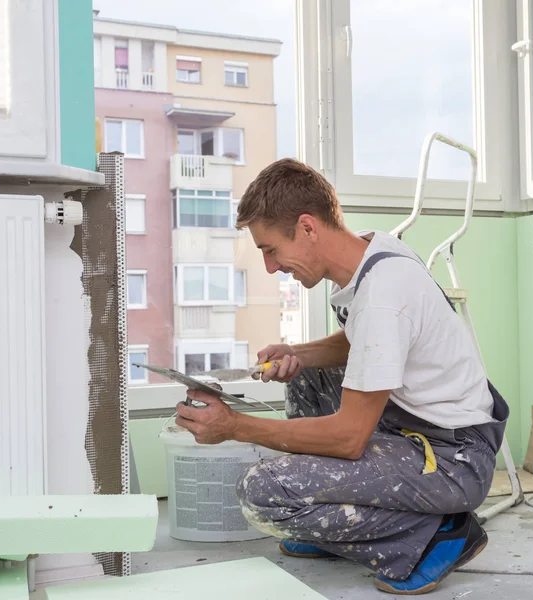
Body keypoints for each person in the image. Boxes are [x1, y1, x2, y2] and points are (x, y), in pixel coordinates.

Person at [174, 158, 509, 595]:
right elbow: (367, 341)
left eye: (270, 249)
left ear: (309, 227)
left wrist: (233, 427)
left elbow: (350, 437)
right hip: (420, 426)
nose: (271, 268)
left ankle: (438, 534)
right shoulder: (371, 255)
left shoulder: (384, 293)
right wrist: (297, 353)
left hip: (452, 460)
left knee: (262, 492)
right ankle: (344, 519)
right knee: (305, 376)